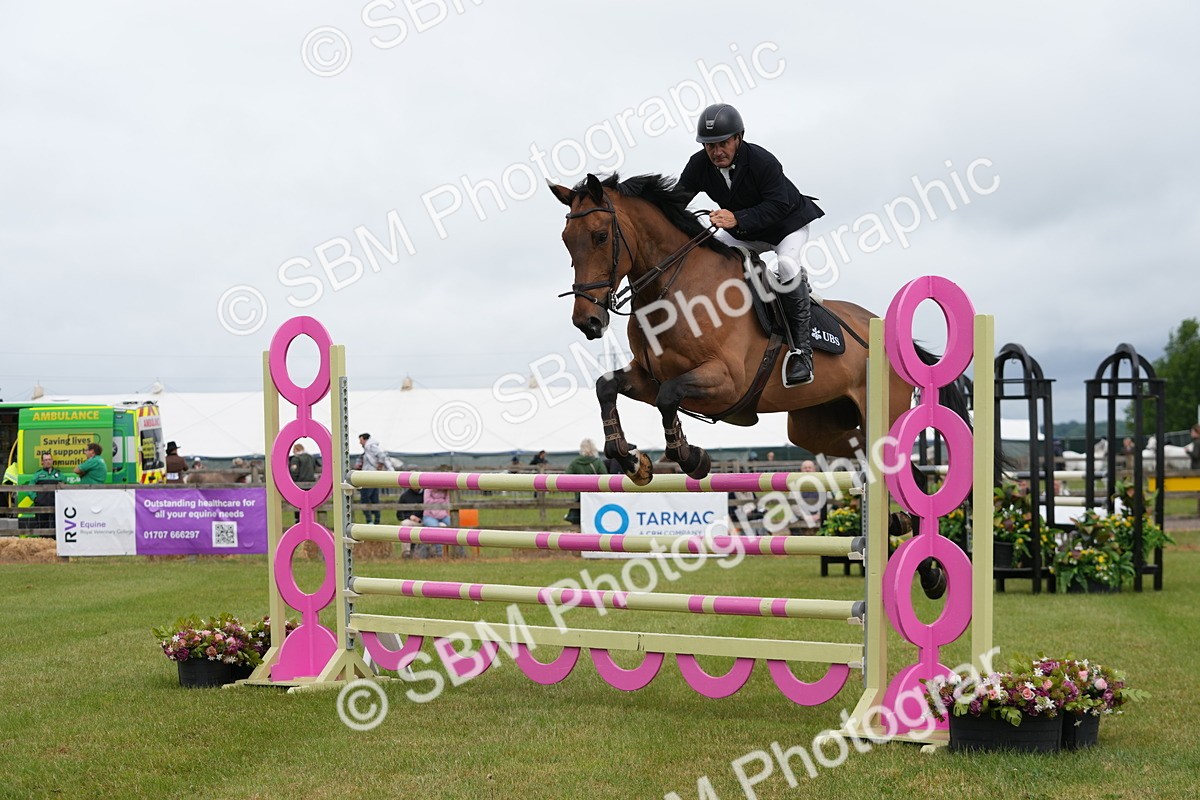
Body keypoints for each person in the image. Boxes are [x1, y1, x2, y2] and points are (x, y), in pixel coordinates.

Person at [677, 103, 825, 388]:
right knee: (709, 256)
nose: (717, 151)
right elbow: (675, 202)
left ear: (738, 138)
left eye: (722, 143)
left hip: (786, 226)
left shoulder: (762, 161)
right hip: (744, 231)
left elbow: (779, 205)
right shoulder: (698, 165)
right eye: (710, 146)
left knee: (785, 265)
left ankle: (802, 354)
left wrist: (736, 217)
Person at [564, 439, 607, 525]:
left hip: (580, 497)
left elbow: (566, 478)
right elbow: (605, 478)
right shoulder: (597, 462)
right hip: (595, 497)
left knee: (579, 523)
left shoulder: (575, 463)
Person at [357, 433, 393, 525]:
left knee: (365, 498)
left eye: (361, 440)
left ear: (365, 439)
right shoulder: (368, 450)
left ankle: (370, 520)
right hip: (373, 476)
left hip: (368, 477)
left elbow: (381, 455)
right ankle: (376, 520)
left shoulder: (370, 447)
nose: (360, 442)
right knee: (374, 499)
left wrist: (379, 466)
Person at [32, 452, 62, 528]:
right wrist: (35, 498)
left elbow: (65, 486)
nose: (48, 461)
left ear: (52, 461)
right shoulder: (38, 475)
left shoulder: (59, 474)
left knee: (55, 527)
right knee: (42, 527)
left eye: (49, 459)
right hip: (41, 506)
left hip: (55, 505)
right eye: (45, 460)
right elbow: (30, 487)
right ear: (42, 462)